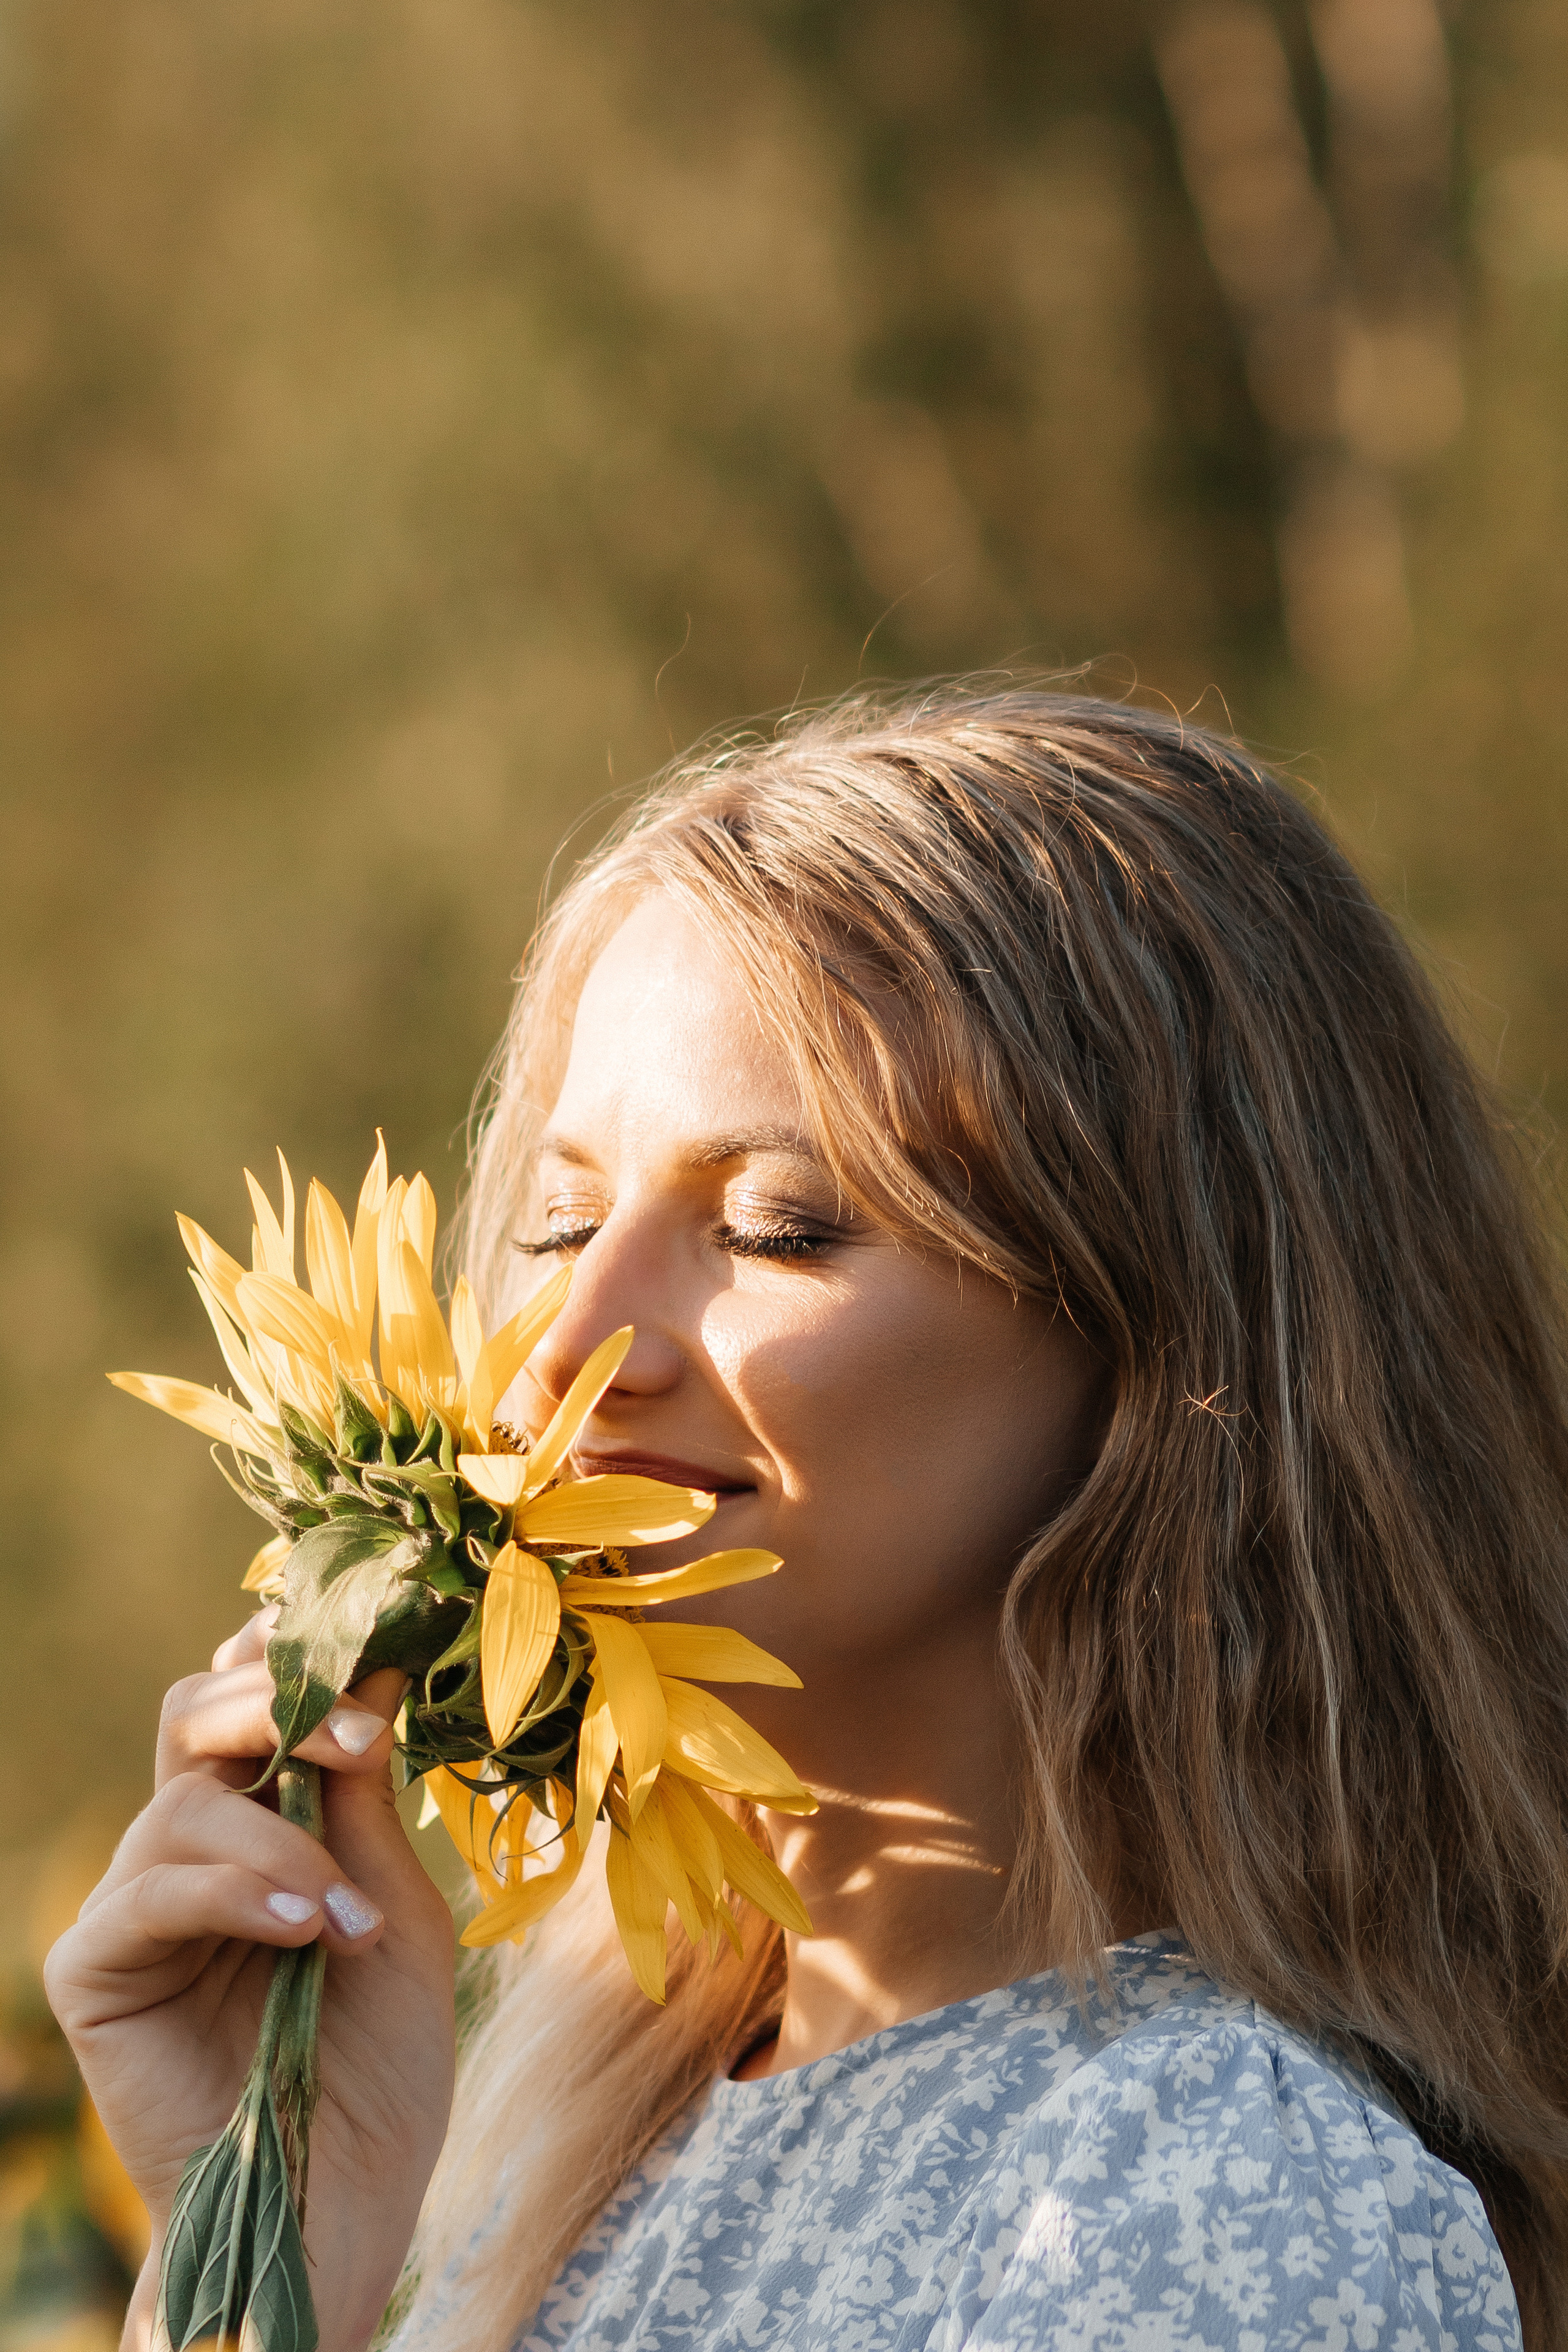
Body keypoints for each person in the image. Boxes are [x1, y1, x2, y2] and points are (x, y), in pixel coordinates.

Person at [47, 685, 1568, 2352]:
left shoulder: (1204, 2195)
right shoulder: (595, 2134)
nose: (568, 1350)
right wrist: (268, 2238)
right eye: (560, 1225)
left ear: (1170, 1337)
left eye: (776, 1227)